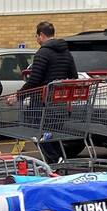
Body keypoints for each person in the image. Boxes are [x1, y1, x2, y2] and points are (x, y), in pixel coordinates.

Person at [21, 21, 80, 160]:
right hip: (59, 101)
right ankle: (58, 158)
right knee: (53, 132)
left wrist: (19, 96)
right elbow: (74, 77)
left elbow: (34, 80)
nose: (36, 40)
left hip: (42, 101)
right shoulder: (66, 53)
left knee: (39, 132)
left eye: (36, 36)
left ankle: (54, 158)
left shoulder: (43, 53)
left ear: (41, 35)